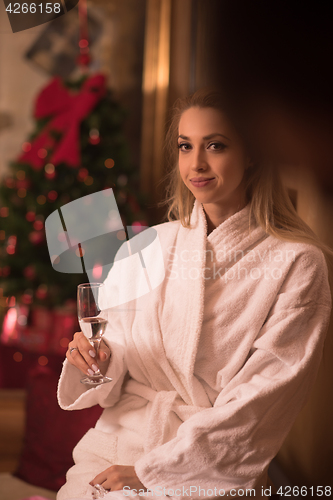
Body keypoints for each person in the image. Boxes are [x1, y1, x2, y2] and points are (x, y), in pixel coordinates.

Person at [57, 89, 332, 500]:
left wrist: (155, 471)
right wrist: (96, 359)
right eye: (186, 147)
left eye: (216, 146)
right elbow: (114, 366)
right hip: (115, 447)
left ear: (253, 153)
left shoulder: (298, 264)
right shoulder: (145, 247)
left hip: (208, 468)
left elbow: (259, 404)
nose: (196, 164)